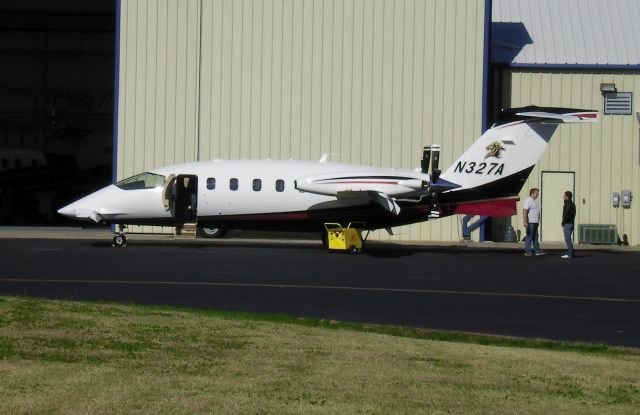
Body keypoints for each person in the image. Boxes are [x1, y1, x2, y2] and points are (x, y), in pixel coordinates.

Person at [523, 188, 544, 256]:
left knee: (535, 237)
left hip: (535, 222)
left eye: (538, 193)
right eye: (536, 193)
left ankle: (537, 251)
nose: (537, 195)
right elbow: (525, 211)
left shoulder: (534, 201)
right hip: (530, 222)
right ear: (532, 193)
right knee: (529, 237)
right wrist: (525, 221)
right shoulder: (528, 200)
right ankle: (528, 251)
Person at [561, 190, 576, 259]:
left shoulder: (567, 204)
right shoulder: (573, 204)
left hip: (567, 223)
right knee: (568, 239)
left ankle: (570, 254)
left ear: (567, 197)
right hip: (571, 223)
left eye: (564, 195)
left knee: (567, 239)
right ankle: (572, 252)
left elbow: (566, 214)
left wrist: (563, 222)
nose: (563, 196)